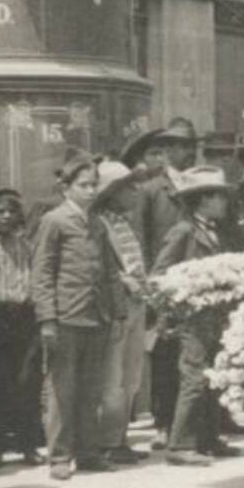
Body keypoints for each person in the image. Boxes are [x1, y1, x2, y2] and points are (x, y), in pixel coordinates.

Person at [31, 152, 125, 480]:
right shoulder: (54, 221)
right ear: (66, 188)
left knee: (91, 389)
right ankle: (59, 455)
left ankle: (88, 452)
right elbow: (42, 272)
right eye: (83, 185)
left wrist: (117, 311)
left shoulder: (97, 222)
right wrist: (47, 319)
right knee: (62, 389)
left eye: (94, 185)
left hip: (96, 316)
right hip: (66, 317)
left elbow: (110, 270)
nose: (90, 191)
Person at [154, 166, 244, 465]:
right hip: (193, 318)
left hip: (215, 316)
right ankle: (179, 445)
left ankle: (208, 439)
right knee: (194, 378)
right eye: (219, 197)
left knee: (213, 377)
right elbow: (159, 274)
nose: (224, 203)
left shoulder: (218, 231)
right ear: (203, 200)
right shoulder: (183, 231)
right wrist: (177, 307)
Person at [136, 117, 201, 451]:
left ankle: (193, 426)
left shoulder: (202, 184)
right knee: (164, 351)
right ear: (165, 151)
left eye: (190, 146)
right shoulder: (150, 189)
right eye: (178, 147)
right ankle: (163, 423)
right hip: (166, 278)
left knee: (195, 353)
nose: (185, 153)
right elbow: (143, 237)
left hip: (199, 277)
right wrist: (151, 282)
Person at [91, 160, 151, 466]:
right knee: (112, 376)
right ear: (113, 192)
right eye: (128, 187)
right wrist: (121, 279)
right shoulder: (98, 223)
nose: (134, 192)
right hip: (116, 305)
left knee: (131, 374)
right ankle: (106, 440)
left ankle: (119, 437)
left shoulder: (125, 222)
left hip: (135, 302)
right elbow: (99, 266)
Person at [0, 188, 43, 468]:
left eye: (11, 211)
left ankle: (28, 445)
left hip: (24, 317)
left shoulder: (25, 245)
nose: (6, 217)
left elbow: (35, 278)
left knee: (26, 382)